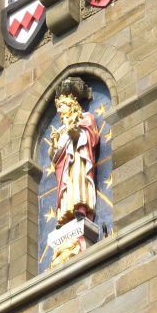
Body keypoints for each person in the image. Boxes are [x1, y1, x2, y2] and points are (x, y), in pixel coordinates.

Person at [50, 92, 100, 225]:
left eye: (61, 106)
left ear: (70, 105)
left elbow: (91, 136)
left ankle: (82, 209)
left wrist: (75, 133)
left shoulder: (85, 117)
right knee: (67, 186)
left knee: (78, 179)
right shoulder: (61, 130)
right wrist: (54, 142)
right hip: (65, 164)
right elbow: (53, 156)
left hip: (79, 156)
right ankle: (66, 216)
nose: (59, 111)